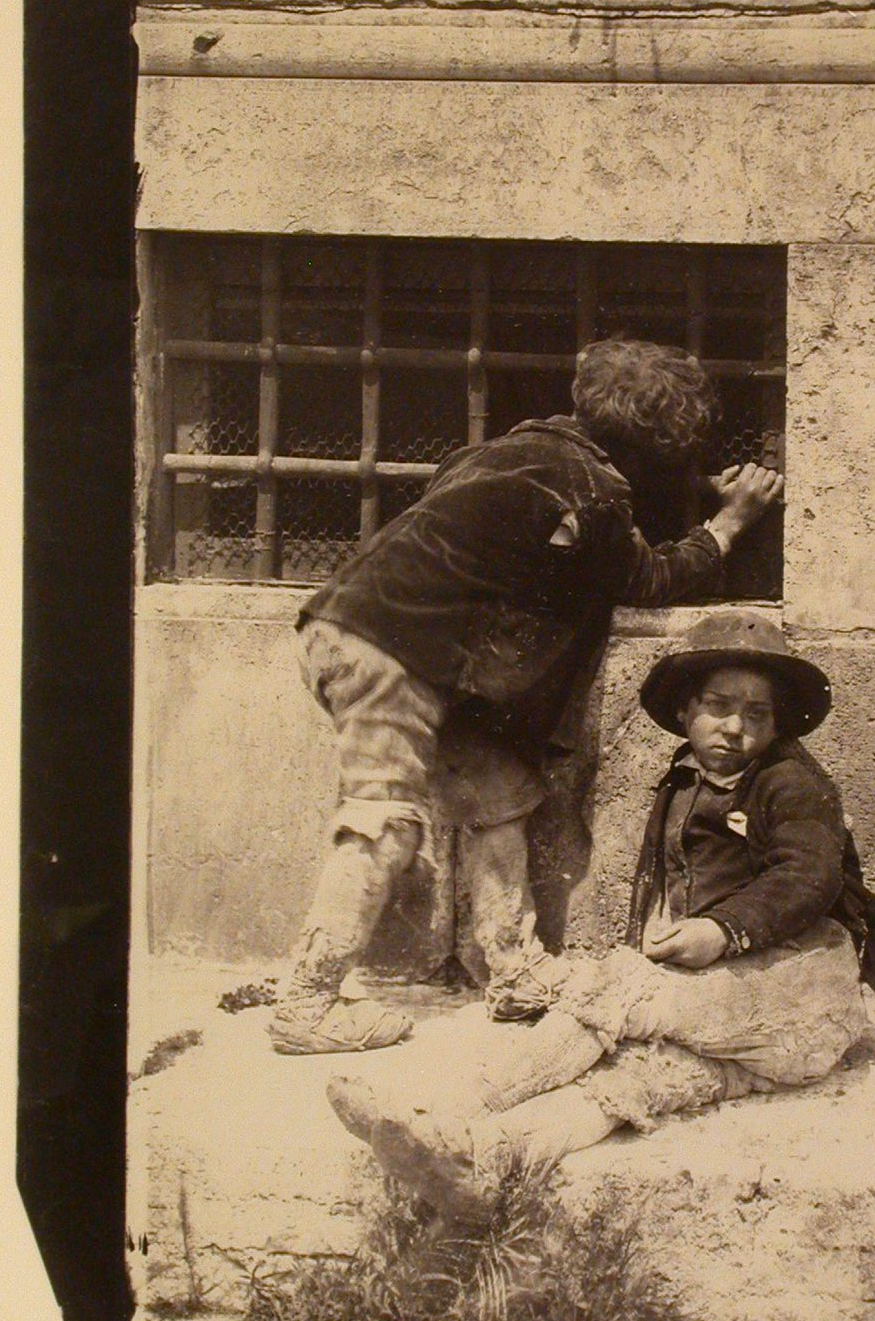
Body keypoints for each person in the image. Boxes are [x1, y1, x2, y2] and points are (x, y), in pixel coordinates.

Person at [262, 340, 783, 1056]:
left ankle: (513, 972)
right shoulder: (596, 493)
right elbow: (647, 579)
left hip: (394, 642)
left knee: (498, 795)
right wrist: (728, 524)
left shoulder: (504, 451)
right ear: (654, 446)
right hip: (394, 647)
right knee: (386, 818)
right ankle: (304, 1004)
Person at [325, 613, 875, 1220]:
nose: (735, 728)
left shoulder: (790, 784)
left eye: (757, 714)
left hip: (799, 992)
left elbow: (809, 875)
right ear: (686, 711)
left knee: (613, 993)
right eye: (718, 705)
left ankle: (443, 1110)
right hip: (750, 1035)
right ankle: (489, 1158)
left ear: (778, 722)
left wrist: (720, 929)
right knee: (638, 1078)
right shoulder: (685, 777)